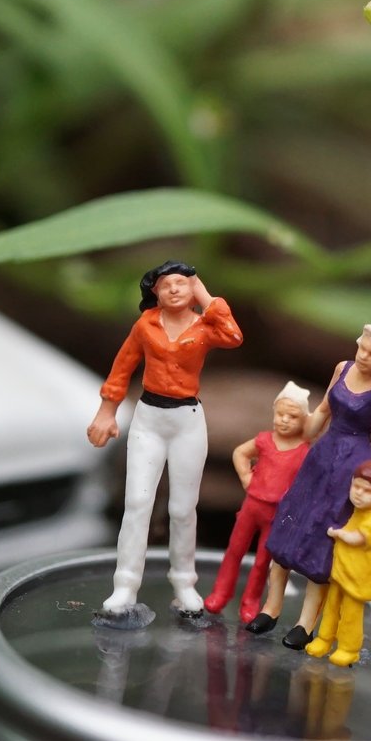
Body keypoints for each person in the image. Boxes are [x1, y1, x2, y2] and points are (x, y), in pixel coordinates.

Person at [88, 261, 242, 621]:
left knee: (182, 508)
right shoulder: (145, 325)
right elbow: (122, 366)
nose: (174, 289)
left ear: (193, 288)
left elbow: (234, 336)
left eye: (181, 283)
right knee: (137, 504)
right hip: (148, 419)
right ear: (153, 292)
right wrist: (106, 412)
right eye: (165, 284)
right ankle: (125, 584)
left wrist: (204, 292)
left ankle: (184, 582)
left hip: (187, 420)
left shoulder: (205, 327)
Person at [251, 323, 371, 647]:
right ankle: (271, 607)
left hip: (351, 465)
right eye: (361, 348)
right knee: (287, 528)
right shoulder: (342, 369)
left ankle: (305, 625)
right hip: (321, 456)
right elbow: (322, 410)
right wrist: (295, 439)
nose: (363, 356)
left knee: (322, 541)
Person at [203, 381, 311, 623]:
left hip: (277, 514)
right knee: (234, 550)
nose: (284, 420)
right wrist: (245, 476)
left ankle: (250, 600)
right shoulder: (264, 440)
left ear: (304, 420)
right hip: (252, 506)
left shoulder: (304, 451)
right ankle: (220, 593)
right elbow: (240, 452)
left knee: (263, 561)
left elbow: (308, 481)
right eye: (281, 414)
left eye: (292, 416)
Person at [304, 458, 371, 668]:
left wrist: (337, 533)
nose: (358, 494)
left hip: (358, 576)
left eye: (367, 491)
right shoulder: (359, 510)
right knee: (331, 607)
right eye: (356, 487)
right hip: (340, 571)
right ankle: (325, 639)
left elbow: (358, 538)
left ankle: (349, 649)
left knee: (351, 614)